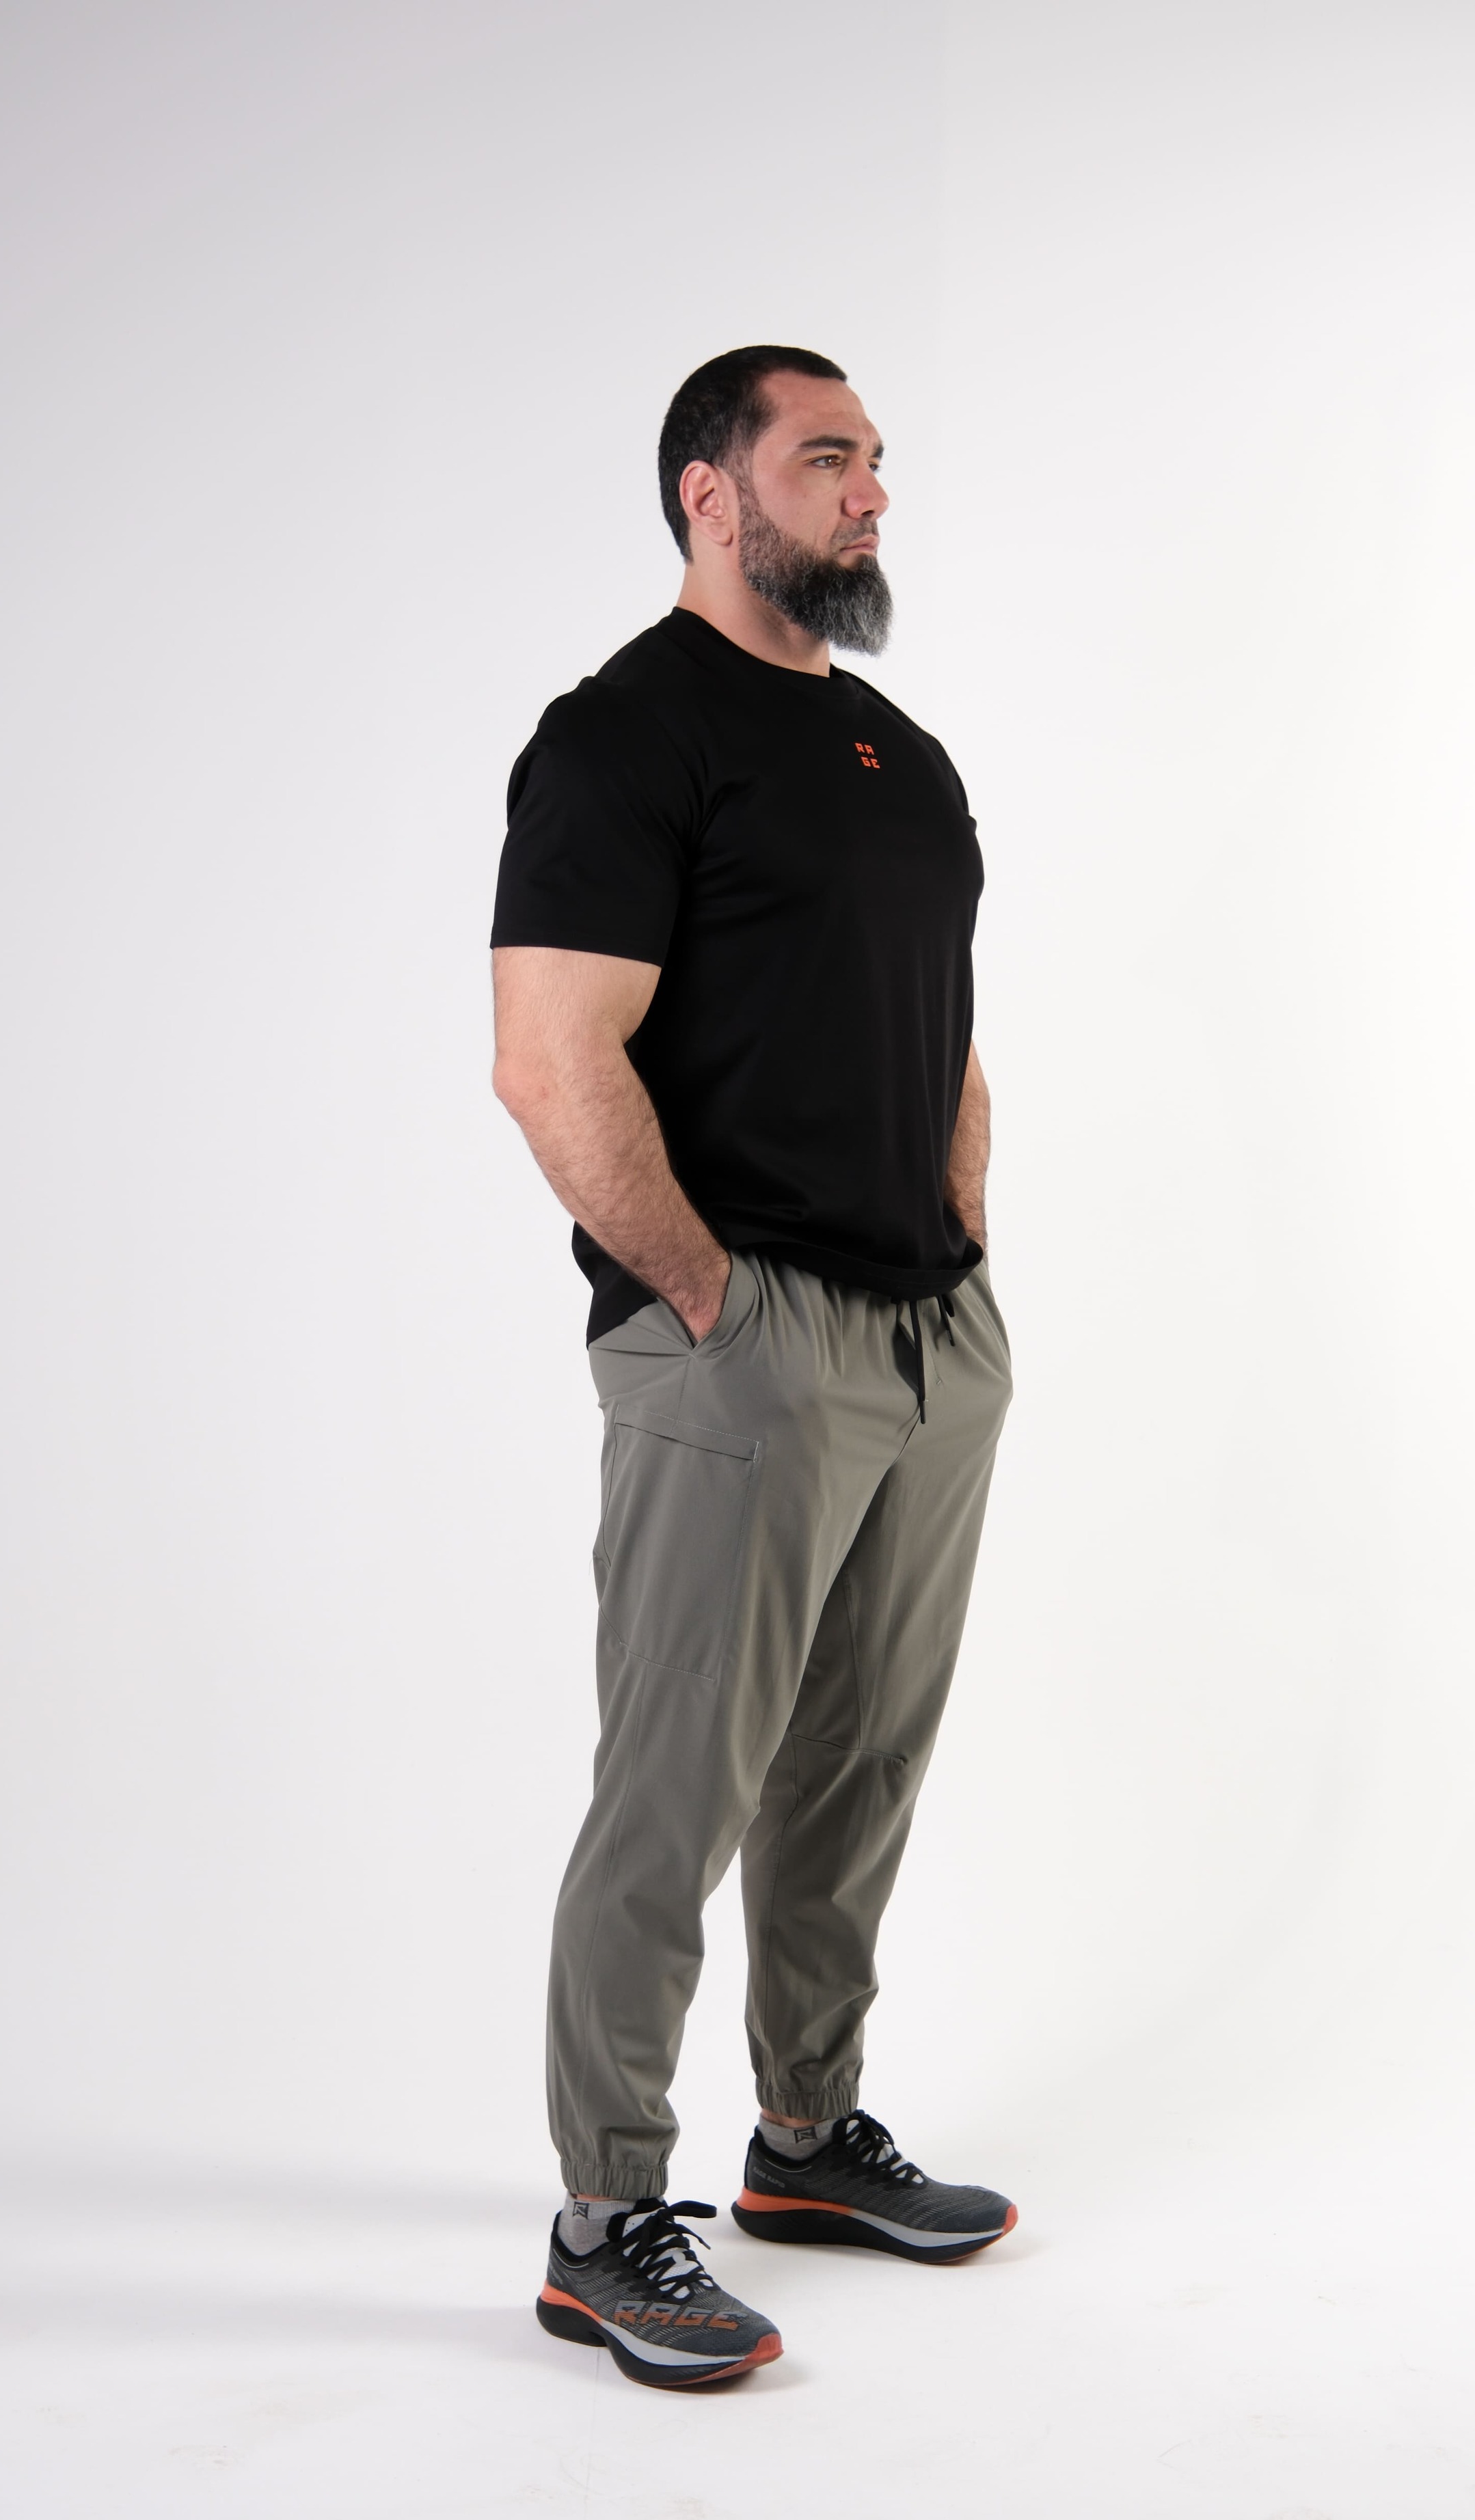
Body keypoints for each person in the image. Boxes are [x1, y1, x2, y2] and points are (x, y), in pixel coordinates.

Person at [489, 346, 1015, 2390]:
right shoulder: (622, 737)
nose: (871, 492)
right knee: (677, 1784)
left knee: (860, 1760)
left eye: (875, 461)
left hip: (927, 1335)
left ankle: (803, 2137)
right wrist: (710, 1301)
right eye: (828, 459)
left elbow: (941, 1027)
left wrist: (961, 1249)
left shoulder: (901, 754)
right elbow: (551, 1056)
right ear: (712, 494)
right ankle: (606, 2218)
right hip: (744, 1338)